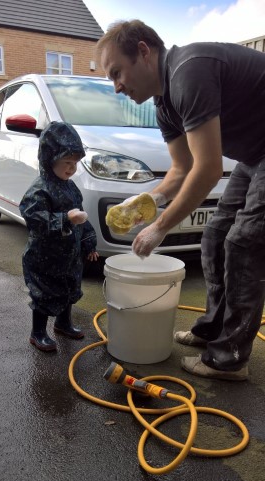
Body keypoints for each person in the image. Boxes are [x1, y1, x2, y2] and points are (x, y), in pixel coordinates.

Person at [96, 20, 265, 381]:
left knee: (243, 245)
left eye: (117, 73)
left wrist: (159, 228)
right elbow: (181, 168)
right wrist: (146, 203)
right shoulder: (163, 105)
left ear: (143, 51)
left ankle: (230, 360)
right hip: (254, 157)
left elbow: (207, 170)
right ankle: (211, 333)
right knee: (216, 236)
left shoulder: (189, 72)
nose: (116, 87)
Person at [19, 122, 99, 352]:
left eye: (74, 163)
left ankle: (64, 324)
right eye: (66, 163)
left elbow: (82, 218)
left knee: (68, 289)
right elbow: (33, 217)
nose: (71, 168)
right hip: (44, 257)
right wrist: (65, 219)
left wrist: (89, 242)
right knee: (44, 294)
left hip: (69, 256)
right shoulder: (40, 189)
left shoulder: (71, 188)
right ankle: (38, 332)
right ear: (49, 158)